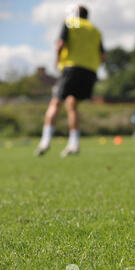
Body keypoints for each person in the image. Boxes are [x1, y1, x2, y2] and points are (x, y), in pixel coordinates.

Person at [35, 5, 105, 157]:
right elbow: (103, 57)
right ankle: (74, 143)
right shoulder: (95, 30)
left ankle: (45, 141)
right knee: (72, 105)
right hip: (90, 71)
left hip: (72, 68)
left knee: (55, 103)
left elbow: (60, 44)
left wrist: (57, 59)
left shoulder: (71, 23)